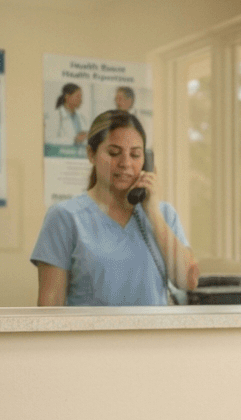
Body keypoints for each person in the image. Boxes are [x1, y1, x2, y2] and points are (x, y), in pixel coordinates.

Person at [31, 110, 199, 306]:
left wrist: (152, 211)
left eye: (135, 154)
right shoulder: (65, 217)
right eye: (113, 153)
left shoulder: (165, 215)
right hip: (90, 336)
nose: (126, 163)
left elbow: (189, 280)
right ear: (91, 154)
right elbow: (50, 307)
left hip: (154, 336)